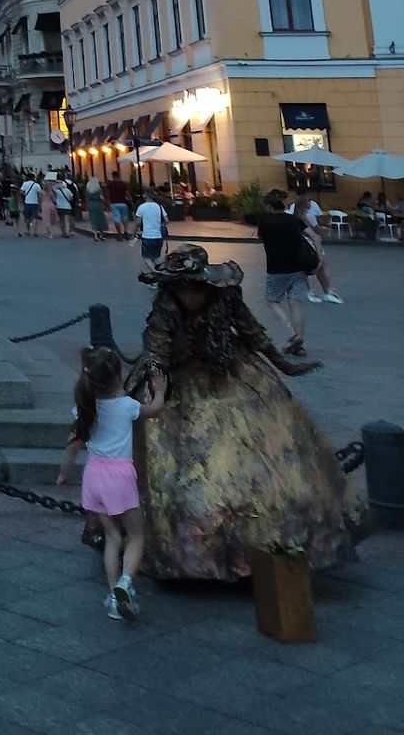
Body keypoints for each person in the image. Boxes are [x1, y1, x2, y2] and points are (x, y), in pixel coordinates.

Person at [125, 246, 361, 580]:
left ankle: (265, 544)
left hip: (226, 373)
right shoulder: (167, 303)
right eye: (182, 287)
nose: (187, 294)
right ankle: (192, 549)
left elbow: (252, 333)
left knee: (257, 458)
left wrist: (284, 365)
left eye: (191, 286)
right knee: (180, 465)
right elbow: (157, 349)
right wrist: (154, 387)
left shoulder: (223, 298)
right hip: (180, 380)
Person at [56, 348, 167, 620]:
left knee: (113, 539)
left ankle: (113, 600)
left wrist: (63, 475)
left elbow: (73, 446)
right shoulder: (126, 406)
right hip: (120, 478)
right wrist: (160, 390)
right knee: (136, 535)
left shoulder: (84, 409)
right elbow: (153, 410)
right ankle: (125, 583)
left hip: (94, 477)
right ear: (118, 380)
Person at [257, 189, 314, 356]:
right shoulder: (293, 220)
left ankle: (292, 335)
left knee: (272, 301)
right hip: (297, 267)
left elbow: (259, 238)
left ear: (269, 206)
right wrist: (317, 258)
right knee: (296, 304)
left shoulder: (265, 221)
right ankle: (300, 342)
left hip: (276, 269)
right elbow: (314, 236)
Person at [289, 194, 343, 305]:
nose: (311, 203)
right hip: (313, 243)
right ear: (305, 203)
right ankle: (327, 290)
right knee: (322, 265)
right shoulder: (308, 215)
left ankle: (316, 291)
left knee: (312, 268)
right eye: (309, 201)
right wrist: (320, 234)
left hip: (303, 243)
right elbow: (316, 229)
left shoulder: (295, 216)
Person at [132, 190, 166, 266]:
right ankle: (157, 271)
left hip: (147, 237)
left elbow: (138, 223)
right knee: (156, 258)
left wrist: (134, 232)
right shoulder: (159, 207)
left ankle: (155, 272)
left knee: (147, 258)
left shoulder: (142, 207)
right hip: (158, 237)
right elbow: (166, 220)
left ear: (145, 196)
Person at [106, 171, 130, 239]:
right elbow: (127, 193)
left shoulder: (110, 184)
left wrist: (107, 204)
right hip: (123, 203)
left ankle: (119, 234)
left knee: (117, 219)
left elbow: (107, 194)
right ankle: (125, 231)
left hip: (114, 203)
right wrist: (130, 200)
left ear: (113, 176)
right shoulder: (123, 184)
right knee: (125, 218)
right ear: (118, 176)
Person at [84, 173, 107, 241]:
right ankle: (102, 235)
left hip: (91, 204)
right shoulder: (98, 189)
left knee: (93, 219)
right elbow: (102, 197)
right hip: (98, 204)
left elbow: (86, 198)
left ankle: (95, 235)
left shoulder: (87, 189)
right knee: (101, 219)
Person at [19, 172, 41, 237]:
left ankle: (28, 231)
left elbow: (21, 191)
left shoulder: (25, 184)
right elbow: (39, 193)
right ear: (34, 177)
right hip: (35, 202)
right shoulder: (37, 185)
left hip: (27, 202)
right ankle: (35, 232)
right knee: (35, 217)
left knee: (27, 217)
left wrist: (25, 194)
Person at [53, 175, 75, 239]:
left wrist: (57, 184)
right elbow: (71, 198)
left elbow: (53, 188)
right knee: (67, 221)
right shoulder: (68, 191)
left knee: (61, 220)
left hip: (59, 207)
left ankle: (63, 232)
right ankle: (67, 232)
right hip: (67, 207)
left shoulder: (57, 191)